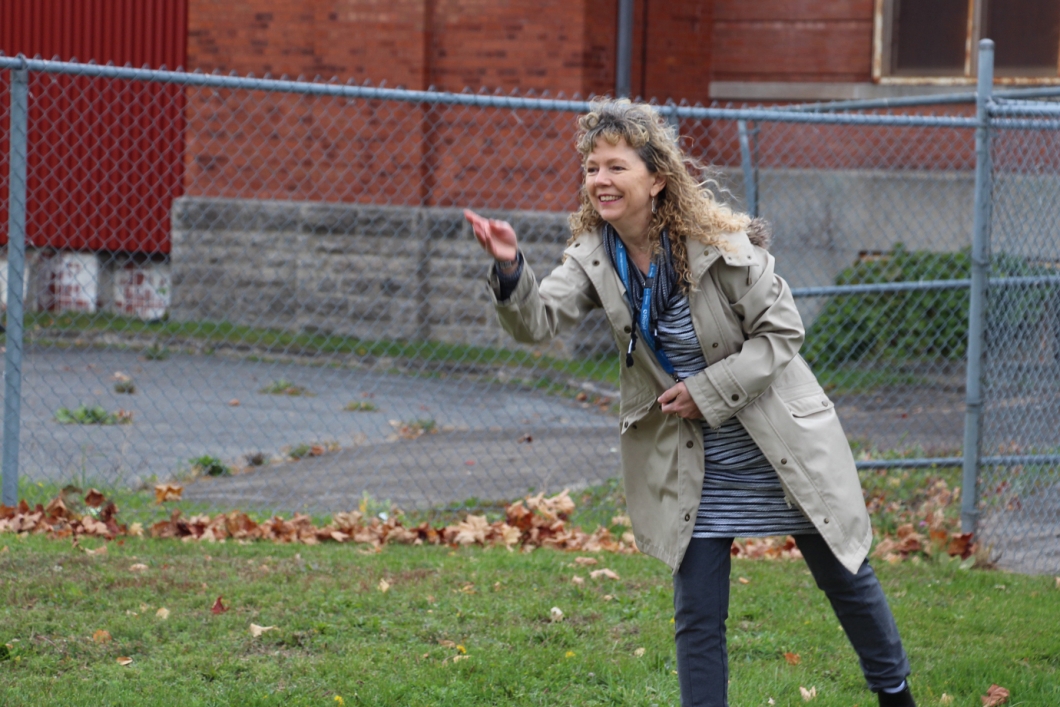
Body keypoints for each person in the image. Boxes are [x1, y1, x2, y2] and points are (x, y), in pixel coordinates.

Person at [464, 99, 916, 707]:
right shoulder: (598, 258)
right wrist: (511, 267)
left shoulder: (719, 244)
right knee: (697, 610)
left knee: (846, 577)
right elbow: (538, 323)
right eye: (593, 167)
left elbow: (782, 334)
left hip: (775, 437)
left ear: (656, 178)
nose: (600, 179)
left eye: (616, 166)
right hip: (695, 455)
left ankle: (896, 695)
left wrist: (706, 392)